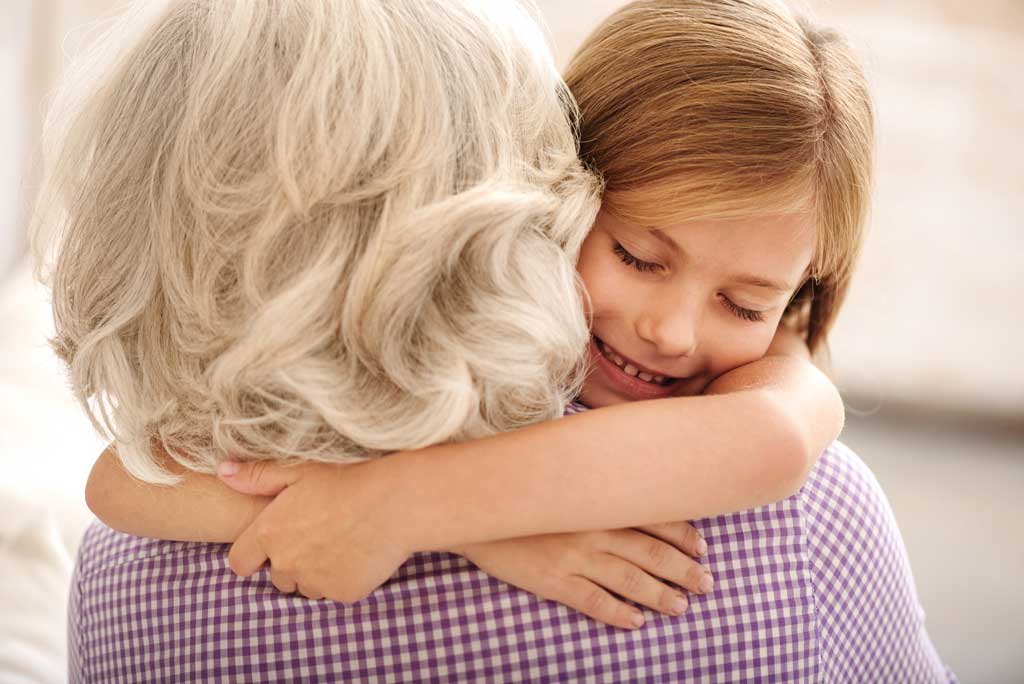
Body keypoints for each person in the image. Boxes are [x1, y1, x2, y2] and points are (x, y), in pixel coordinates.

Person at [42, 1, 954, 682]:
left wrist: (405, 511)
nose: (671, 331)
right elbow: (120, 482)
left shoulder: (750, 418)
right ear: (551, 190)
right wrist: (470, 530)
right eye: (637, 255)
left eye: (747, 305)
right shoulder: (417, 379)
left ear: (799, 303)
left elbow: (775, 439)